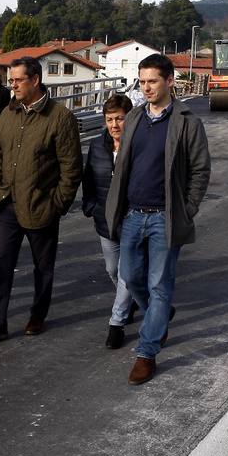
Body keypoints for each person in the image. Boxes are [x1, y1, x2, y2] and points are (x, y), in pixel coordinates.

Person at [107, 53, 211, 384]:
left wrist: (187, 207)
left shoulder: (187, 121)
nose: (147, 87)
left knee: (159, 284)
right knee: (128, 275)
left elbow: (200, 169)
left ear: (170, 81)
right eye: (142, 81)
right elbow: (122, 164)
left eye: (153, 81)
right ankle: (160, 312)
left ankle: (146, 352)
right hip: (134, 215)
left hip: (165, 217)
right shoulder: (135, 118)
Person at [0, 56, 82, 344]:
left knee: (42, 267)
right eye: (11, 81)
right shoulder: (8, 113)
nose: (13, 85)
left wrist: (57, 204)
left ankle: (37, 315)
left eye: (18, 80)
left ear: (35, 80)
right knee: (0, 263)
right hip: (6, 203)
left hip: (40, 205)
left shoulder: (60, 117)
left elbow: (71, 168)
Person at [81, 93, 143, 348]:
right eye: (110, 119)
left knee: (126, 272)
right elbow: (89, 179)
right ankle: (140, 301)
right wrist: (91, 207)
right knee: (112, 270)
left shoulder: (140, 144)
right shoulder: (97, 146)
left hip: (132, 219)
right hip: (104, 220)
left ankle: (116, 322)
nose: (115, 125)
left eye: (120, 119)